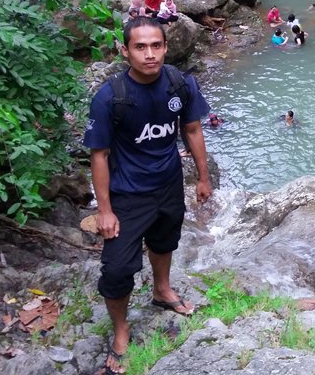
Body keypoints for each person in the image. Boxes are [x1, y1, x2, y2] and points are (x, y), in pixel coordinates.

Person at [83, 18, 212, 375]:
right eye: (140, 47)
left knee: (165, 239)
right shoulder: (111, 96)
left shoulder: (179, 84)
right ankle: (121, 332)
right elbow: (100, 155)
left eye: (156, 45)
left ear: (166, 47)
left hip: (169, 183)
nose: (150, 54)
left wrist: (203, 178)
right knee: (118, 269)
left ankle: (162, 290)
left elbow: (192, 128)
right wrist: (104, 210)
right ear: (125, 51)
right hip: (127, 194)